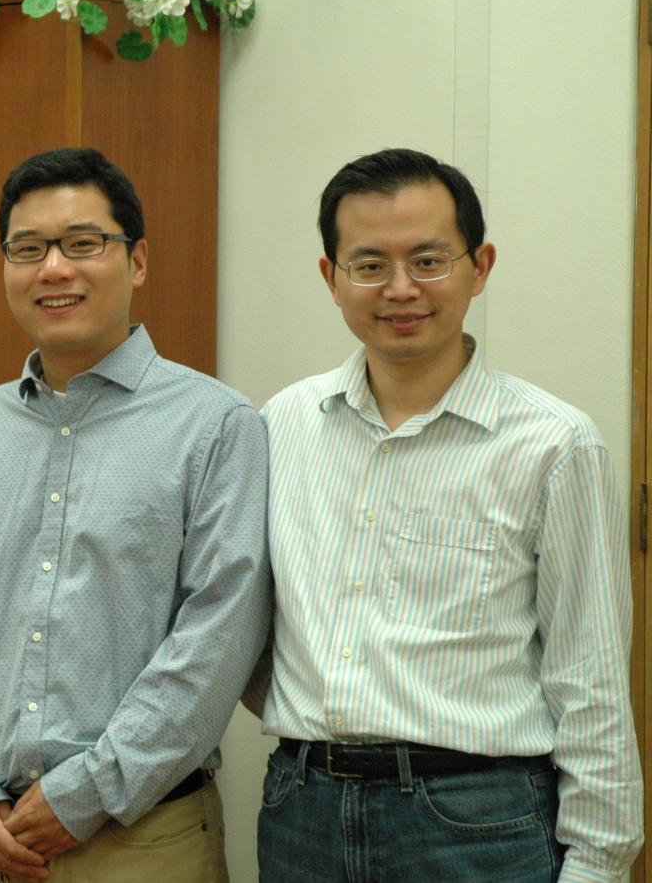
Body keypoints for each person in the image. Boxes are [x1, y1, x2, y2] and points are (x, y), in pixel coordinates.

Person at [251, 148, 643, 882]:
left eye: (429, 260)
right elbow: (246, 629)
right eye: (370, 264)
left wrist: (600, 862)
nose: (401, 288)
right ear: (331, 277)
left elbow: (589, 679)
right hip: (304, 810)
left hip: (478, 819)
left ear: (480, 266)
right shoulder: (283, 425)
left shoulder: (553, 443)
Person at [0, 147, 272, 883]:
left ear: (137, 261)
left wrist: (87, 792)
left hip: (145, 838)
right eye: (28, 249)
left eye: (82, 243)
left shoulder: (215, 426)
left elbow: (219, 635)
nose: (54, 269)